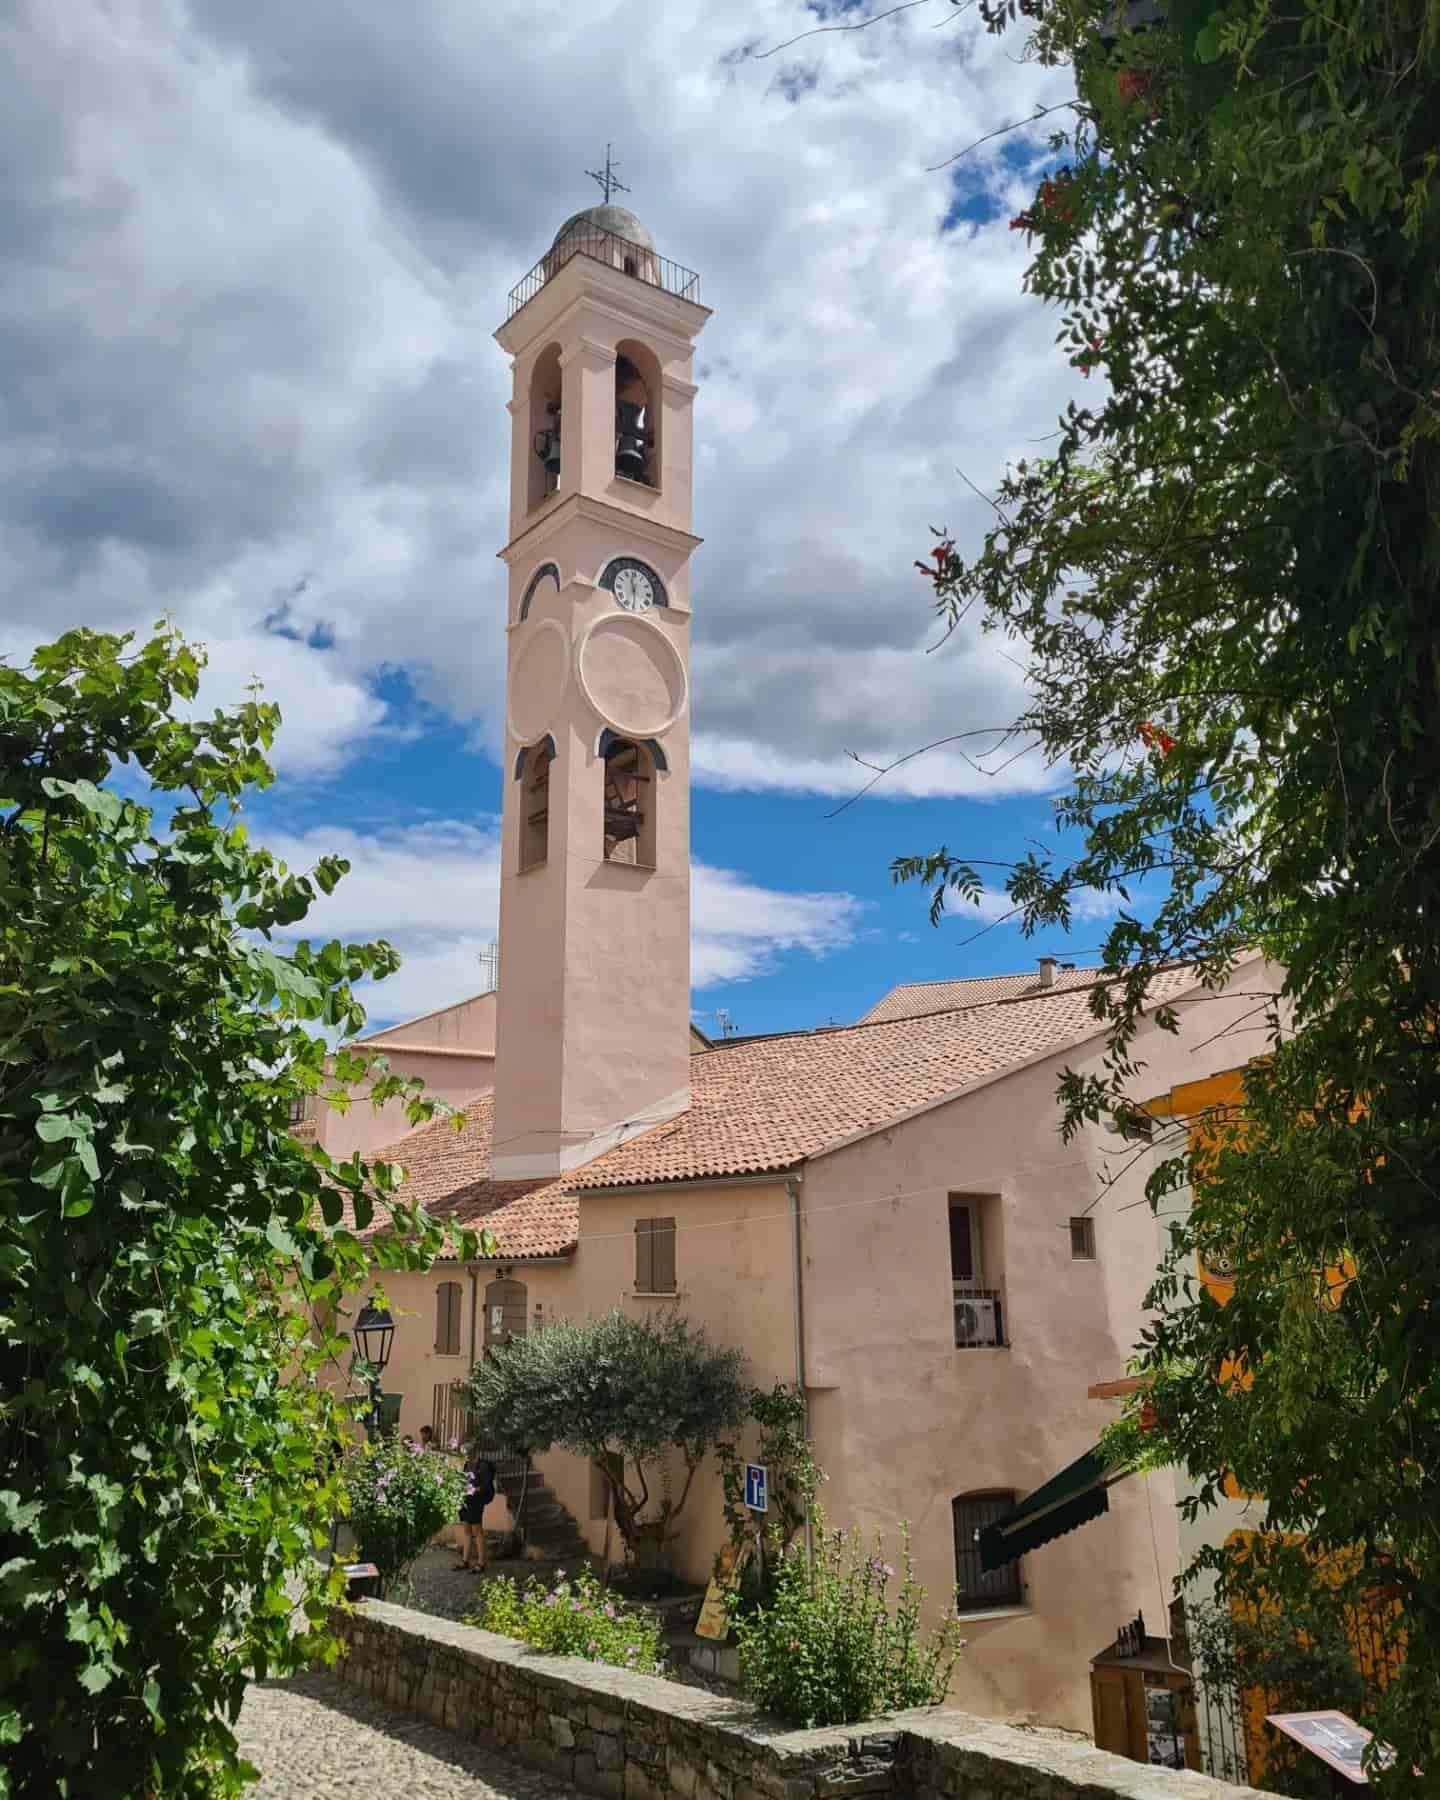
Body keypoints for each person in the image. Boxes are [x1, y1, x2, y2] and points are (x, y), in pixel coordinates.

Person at [455, 1445, 496, 1572]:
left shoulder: (483, 1466)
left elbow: (486, 1486)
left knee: (477, 1531)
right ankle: (465, 1561)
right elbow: (465, 1481)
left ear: (473, 1452)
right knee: (467, 1529)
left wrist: (473, 1490)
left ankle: (481, 1563)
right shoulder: (467, 1464)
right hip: (467, 1500)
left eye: (467, 1453)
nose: (465, 1455)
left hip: (477, 1501)